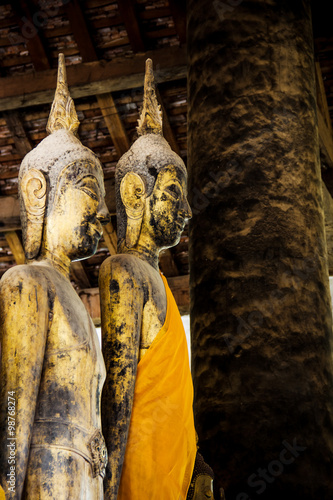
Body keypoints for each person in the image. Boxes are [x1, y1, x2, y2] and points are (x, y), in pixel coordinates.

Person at [0, 54, 109, 499]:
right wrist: (8, 486)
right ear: (39, 191)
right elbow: (12, 410)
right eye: (88, 192)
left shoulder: (78, 301)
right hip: (47, 477)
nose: (102, 211)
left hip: (86, 482)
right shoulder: (26, 283)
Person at [100, 58, 198, 500]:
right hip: (135, 474)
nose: (187, 213)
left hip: (169, 473)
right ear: (136, 193)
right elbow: (118, 388)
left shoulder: (156, 281)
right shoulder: (124, 271)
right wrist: (109, 479)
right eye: (174, 194)